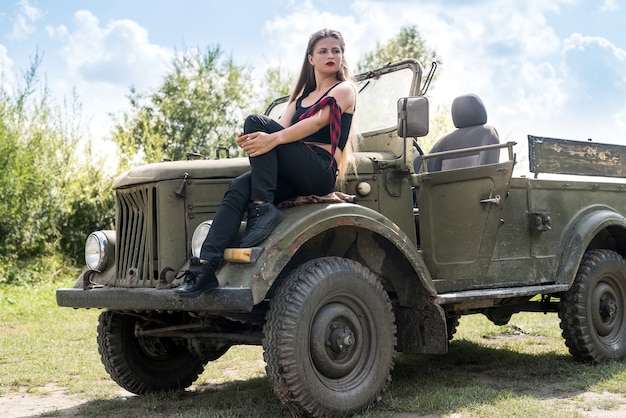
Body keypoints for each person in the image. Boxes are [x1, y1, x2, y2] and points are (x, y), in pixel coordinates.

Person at [174, 28, 357, 297]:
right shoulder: (300, 99)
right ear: (310, 59)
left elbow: (317, 122)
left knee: (256, 122)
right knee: (238, 187)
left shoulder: (344, 89)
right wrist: (251, 141)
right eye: (323, 51)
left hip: (320, 170)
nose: (331, 55)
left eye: (336, 50)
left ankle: (262, 208)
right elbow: (279, 130)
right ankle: (204, 268)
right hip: (293, 174)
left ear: (342, 56)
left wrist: (268, 137)